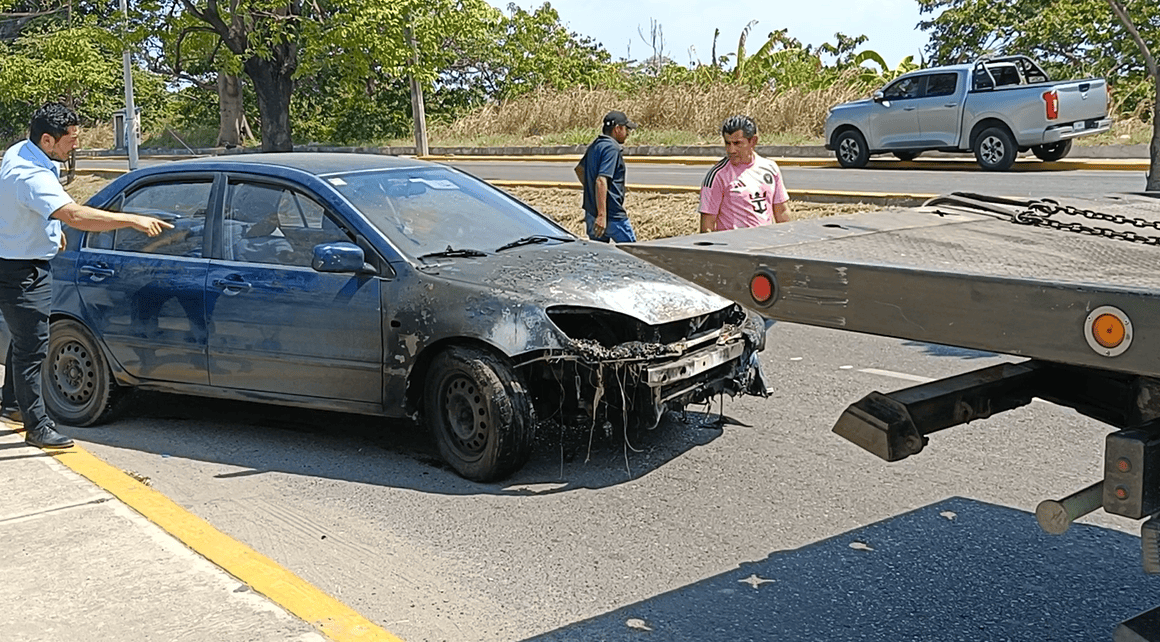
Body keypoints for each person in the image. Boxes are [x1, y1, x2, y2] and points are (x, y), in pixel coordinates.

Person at [0, 103, 172, 448]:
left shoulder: (19, 152)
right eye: (71, 140)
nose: (76, 145)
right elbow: (76, 216)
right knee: (34, 348)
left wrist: (48, 229)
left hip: (13, 256)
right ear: (47, 140)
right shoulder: (31, 176)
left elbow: (31, 207)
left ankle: (11, 402)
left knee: (24, 336)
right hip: (22, 270)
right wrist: (132, 220)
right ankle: (38, 426)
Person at [699, 115, 791, 233]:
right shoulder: (718, 175)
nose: (731, 150)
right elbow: (707, 226)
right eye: (728, 143)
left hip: (765, 244)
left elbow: (782, 212)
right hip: (735, 248)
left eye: (737, 143)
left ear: (753, 141)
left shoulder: (770, 168)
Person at [574, 110, 638, 243]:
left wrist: (592, 194)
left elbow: (580, 170)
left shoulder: (596, 145)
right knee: (634, 254)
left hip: (592, 214)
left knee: (599, 257)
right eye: (626, 129)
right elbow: (601, 180)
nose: (628, 133)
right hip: (611, 215)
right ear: (617, 128)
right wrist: (602, 214)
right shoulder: (611, 148)